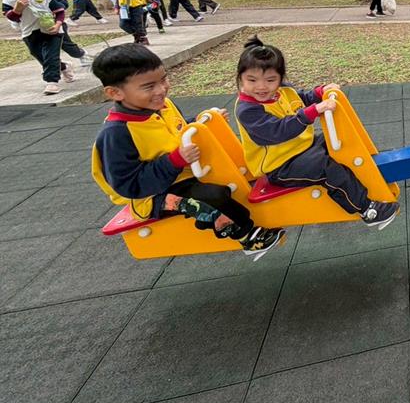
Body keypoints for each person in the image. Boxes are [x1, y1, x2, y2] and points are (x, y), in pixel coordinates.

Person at [91, 43, 285, 259]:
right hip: (151, 195)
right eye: (148, 87)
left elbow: (178, 128)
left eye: (163, 79)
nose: (161, 90)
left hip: (182, 173)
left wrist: (202, 121)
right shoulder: (117, 134)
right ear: (115, 92)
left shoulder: (163, 106)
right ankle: (246, 235)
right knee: (209, 197)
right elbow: (129, 186)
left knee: (233, 174)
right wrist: (174, 161)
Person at [234, 36, 399, 229]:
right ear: (240, 78)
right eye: (252, 80)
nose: (262, 87)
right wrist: (311, 112)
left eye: (270, 80)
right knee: (325, 168)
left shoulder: (282, 91)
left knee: (341, 143)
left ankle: (372, 177)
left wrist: (320, 92)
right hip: (280, 166)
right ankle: (366, 209)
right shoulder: (248, 110)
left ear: (280, 79)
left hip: (303, 148)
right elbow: (277, 131)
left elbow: (301, 98)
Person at [2, 0, 72, 94]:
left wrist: (58, 25)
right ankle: (63, 67)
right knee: (41, 57)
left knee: (50, 56)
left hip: (52, 31)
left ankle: (52, 82)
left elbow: (60, 11)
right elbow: (12, 18)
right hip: (29, 32)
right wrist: (17, 9)